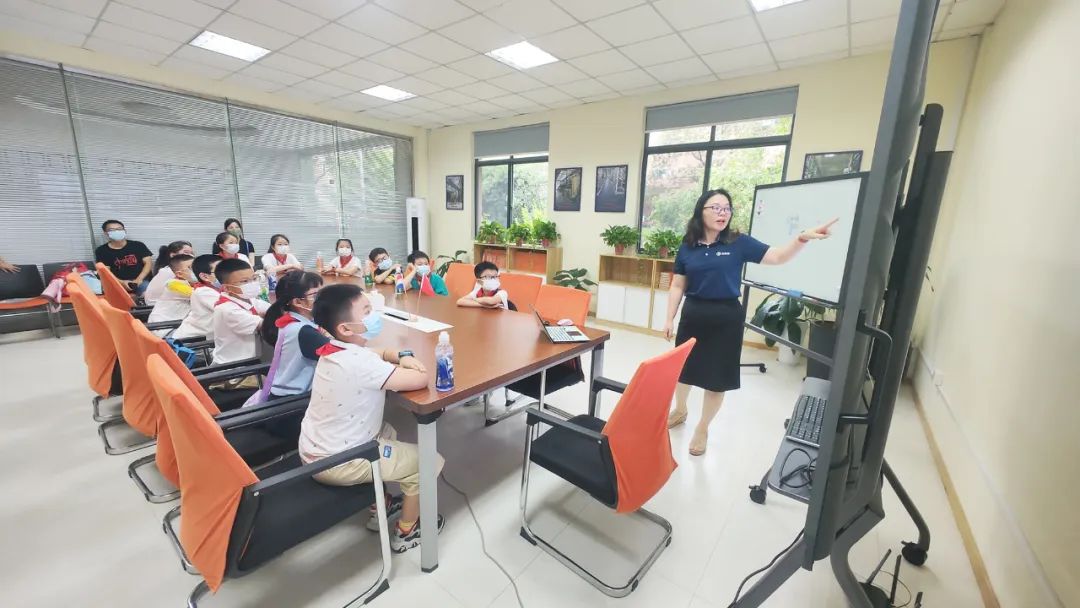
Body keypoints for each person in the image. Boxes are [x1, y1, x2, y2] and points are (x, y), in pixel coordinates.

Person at [663, 189, 836, 456]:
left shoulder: (737, 242)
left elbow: (777, 256)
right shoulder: (688, 245)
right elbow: (677, 284)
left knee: (717, 379)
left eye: (727, 208)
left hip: (726, 318)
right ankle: (681, 409)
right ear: (701, 211)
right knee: (683, 370)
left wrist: (801, 238)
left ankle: (703, 428)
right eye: (716, 208)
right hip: (693, 315)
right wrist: (669, 318)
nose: (723, 213)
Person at [299, 283, 444, 552]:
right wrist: (410, 362)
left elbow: (372, 354)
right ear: (345, 328)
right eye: (367, 311)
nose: (375, 314)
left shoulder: (333, 349)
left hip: (316, 449)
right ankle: (407, 530)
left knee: (387, 430)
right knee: (429, 461)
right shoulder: (362, 364)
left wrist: (397, 354)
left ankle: (381, 502)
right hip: (340, 462)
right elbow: (421, 378)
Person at [258, 271, 329, 398]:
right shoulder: (304, 332)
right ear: (297, 302)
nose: (325, 298)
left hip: (283, 393)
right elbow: (343, 357)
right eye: (316, 294)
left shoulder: (291, 320)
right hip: (295, 402)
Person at [211, 258, 270, 366]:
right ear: (227, 288)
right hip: (233, 367)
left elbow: (272, 310)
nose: (252, 284)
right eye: (244, 281)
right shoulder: (227, 309)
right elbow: (266, 325)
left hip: (250, 360)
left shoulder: (249, 300)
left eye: (254, 278)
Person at [94, 219, 153, 294]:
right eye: (112, 230)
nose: (116, 232)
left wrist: (139, 279)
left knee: (148, 293)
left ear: (124, 231)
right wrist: (121, 282)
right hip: (116, 282)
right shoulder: (101, 250)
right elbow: (106, 271)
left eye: (119, 229)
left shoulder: (138, 245)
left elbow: (148, 263)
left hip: (141, 281)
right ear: (106, 233)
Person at [173, 254, 221, 341]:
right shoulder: (205, 292)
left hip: (203, 339)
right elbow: (231, 311)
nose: (228, 274)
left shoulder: (210, 288)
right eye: (221, 271)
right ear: (205, 276)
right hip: (195, 345)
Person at [147, 254, 195, 324]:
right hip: (166, 328)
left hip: (175, 323)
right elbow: (200, 295)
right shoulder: (174, 285)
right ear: (179, 274)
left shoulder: (185, 282)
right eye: (191, 268)